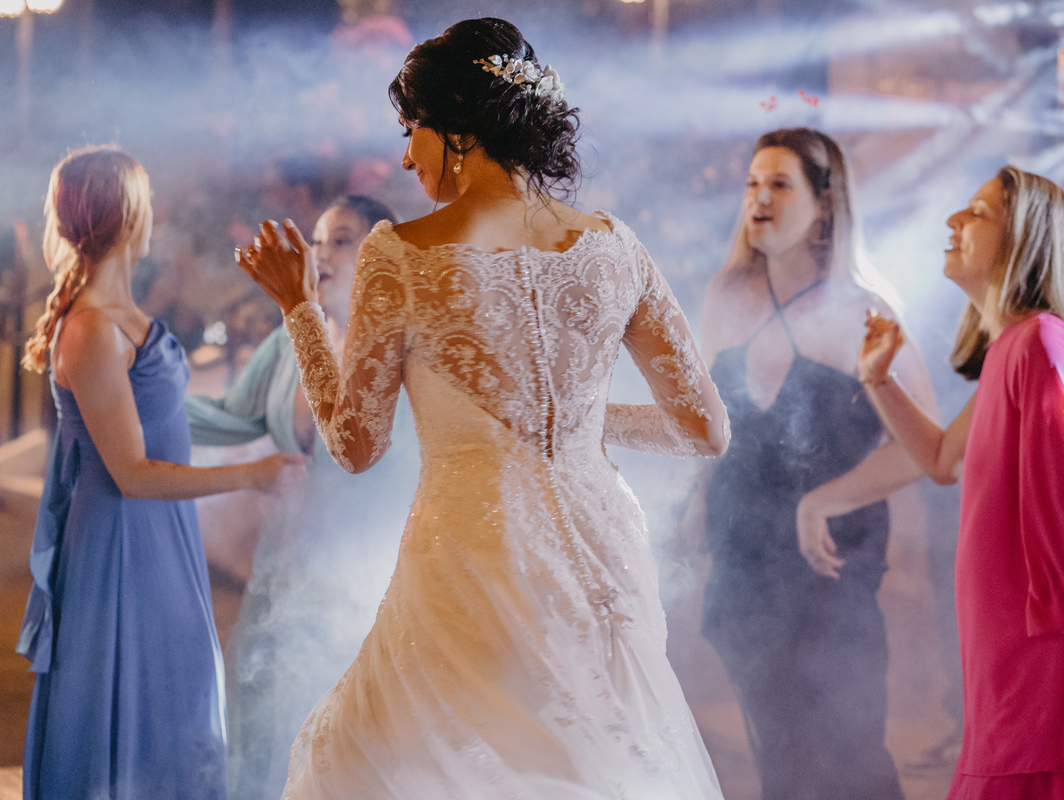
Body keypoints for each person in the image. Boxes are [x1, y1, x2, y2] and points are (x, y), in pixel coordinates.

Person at [237, 17, 730, 800]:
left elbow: (355, 445)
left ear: (457, 128)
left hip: (473, 554)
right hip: (602, 548)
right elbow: (704, 428)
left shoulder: (401, 255)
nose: (406, 156)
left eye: (412, 128)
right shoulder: (615, 246)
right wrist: (570, 422)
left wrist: (300, 308)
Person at [858, 166, 1064, 799]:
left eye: (978, 212)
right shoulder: (1013, 350)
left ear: (1025, 240)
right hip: (1010, 638)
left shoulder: (1040, 342)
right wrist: (878, 379)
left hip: (1047, 643)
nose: (954, 221)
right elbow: (942, 459)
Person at [15, 146, 301, 800]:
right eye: (147, 200)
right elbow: (134, 475)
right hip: (120, 541)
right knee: (144, 697)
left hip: (159, 534)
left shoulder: (122, 313)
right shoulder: (90, 329)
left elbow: (159, 410)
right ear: (128, 216)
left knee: (177, 687)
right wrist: (251, 473)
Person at [695, 127, 937, 800]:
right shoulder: (726, 296)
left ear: (825, 205)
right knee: (779, 755)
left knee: (847, 755)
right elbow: (707, 426)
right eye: (752, 183)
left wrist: (822, 500)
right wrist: (688, 515)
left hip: (832, 568)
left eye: (779, 184)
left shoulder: (866, 311)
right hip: (743, 564)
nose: (759, 198)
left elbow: (926, 446)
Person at [187, 195, 418, 800]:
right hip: (285, 565)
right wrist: (136, 401)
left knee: (345, 736)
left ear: (381, 250)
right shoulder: (290, 341)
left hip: (364, 576)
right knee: (268, 723)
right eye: (316, 241)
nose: (321, 254)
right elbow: (232, 416)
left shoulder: (404, 349)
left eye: (341, 239)